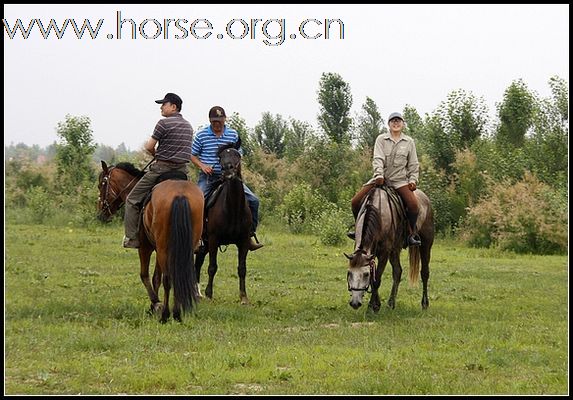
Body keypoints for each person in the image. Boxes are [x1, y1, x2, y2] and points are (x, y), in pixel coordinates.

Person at [122, 92, 194, 248]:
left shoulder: (163, 123)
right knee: (197, 200)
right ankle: (198, 239)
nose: (161, 107)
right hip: (182, 172)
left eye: (164, 104)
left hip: (161, 169)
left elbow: (149, 147)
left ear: (173, 107)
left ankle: (132, 238)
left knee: (132, 200)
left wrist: (157, 154)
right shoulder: (189, 126)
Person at [190, 106, 263, 251]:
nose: (217, 124)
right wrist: (202, 166)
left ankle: (249, 235)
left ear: (225, 119)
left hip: (231, 177)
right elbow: (191, 154)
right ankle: (198, 238)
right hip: (209, 177)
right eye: (214, 121)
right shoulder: (201, 135)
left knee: (254, 201)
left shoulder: (232, 134)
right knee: (199, 202)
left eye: (220, 121)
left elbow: (238, 154)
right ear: (210, 121)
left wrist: (234, 170)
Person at [349, 111, 422, 247]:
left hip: (399, 181)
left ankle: (410, 234)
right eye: (393, 121)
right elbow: (378, 158)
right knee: (355, 201)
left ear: (403, 124)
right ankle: (358, 230)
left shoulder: (409, 142)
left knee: (413, 205)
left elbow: (413, 164)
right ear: (388, 124)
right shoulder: (381, 139)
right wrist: (378, 175)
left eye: (398, 121)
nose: (396, 123)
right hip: (380, 179)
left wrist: (413, 180)